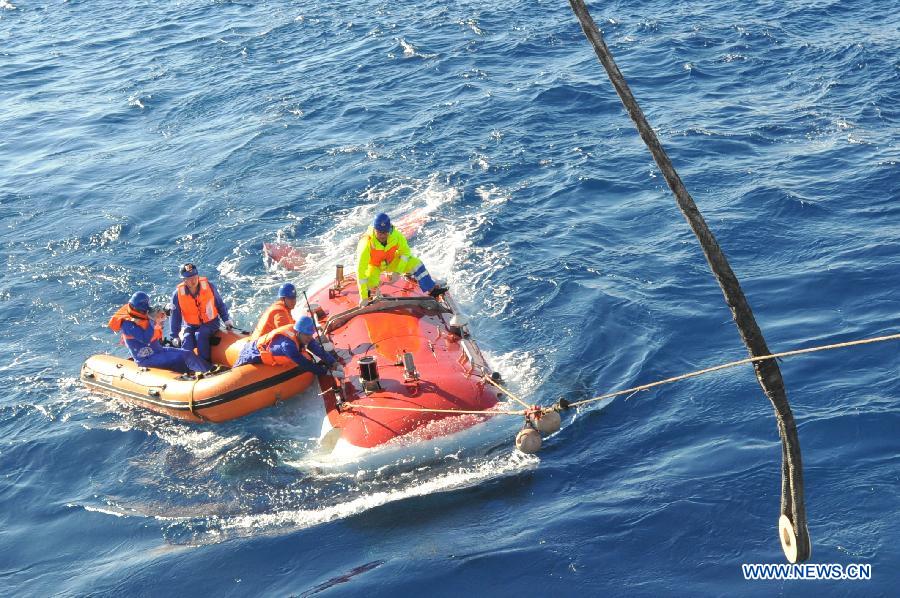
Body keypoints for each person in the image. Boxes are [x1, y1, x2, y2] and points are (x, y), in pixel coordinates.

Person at [356, 212, 447, 304]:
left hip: (391, 262)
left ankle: (432, 290)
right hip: (374, 266)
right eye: (380, 232)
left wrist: (398, 272)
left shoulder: (396, 235)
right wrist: (363, 297)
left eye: (385, 232)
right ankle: (370, 298)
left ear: (389, 230)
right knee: (371, 285)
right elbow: (360, 270)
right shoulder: (365, 243)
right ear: (374, 229)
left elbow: (406, 252)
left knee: (416, 263)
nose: (383, 235)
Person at [108, 292, 210, 373]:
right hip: (146, 359)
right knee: (179, 357)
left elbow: (156, 315)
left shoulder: (143, 315)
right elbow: (145, 338)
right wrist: (153, 321)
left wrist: (164, 311)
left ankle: (207, 370)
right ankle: (188, 376)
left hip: (158, 350)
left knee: (187, 353)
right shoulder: (127, 324)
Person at [235, 316, 344, 378]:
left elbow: (317, 349)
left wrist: (334, 362)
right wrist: (327, 372)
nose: (309, 337)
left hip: (261, 346)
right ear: (298, 332)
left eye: (310, 335)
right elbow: (305, 364)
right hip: (252, 353)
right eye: (307, 335)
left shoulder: (302, 334)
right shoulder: (288, 346)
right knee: (236, 373)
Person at [169, 263, 234, 362]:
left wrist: (226, 319)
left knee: (200, 335)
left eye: (195, 276)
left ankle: (205, 364)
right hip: (190, 325)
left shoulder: (209, 286)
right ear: (184, 280)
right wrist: (175, 336)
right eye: (189, 278)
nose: (193, 280)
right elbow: (175, 317)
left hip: (211, 323)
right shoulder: (177, 295)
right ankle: (188, 367)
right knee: (186, 340)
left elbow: (219, 303)